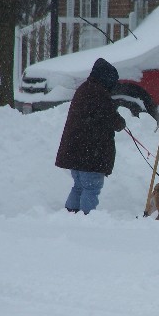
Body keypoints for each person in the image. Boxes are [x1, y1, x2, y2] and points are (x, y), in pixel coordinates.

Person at [55, 58, 126, 214]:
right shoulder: (99, 94)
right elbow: (113, 120)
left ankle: (69, 214)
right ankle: (86, 218)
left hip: (76, 151)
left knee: (79, 186)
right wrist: (121, 122)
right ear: (106, 78)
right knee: (91, 188)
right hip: (91, 152)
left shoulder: (84, 89)